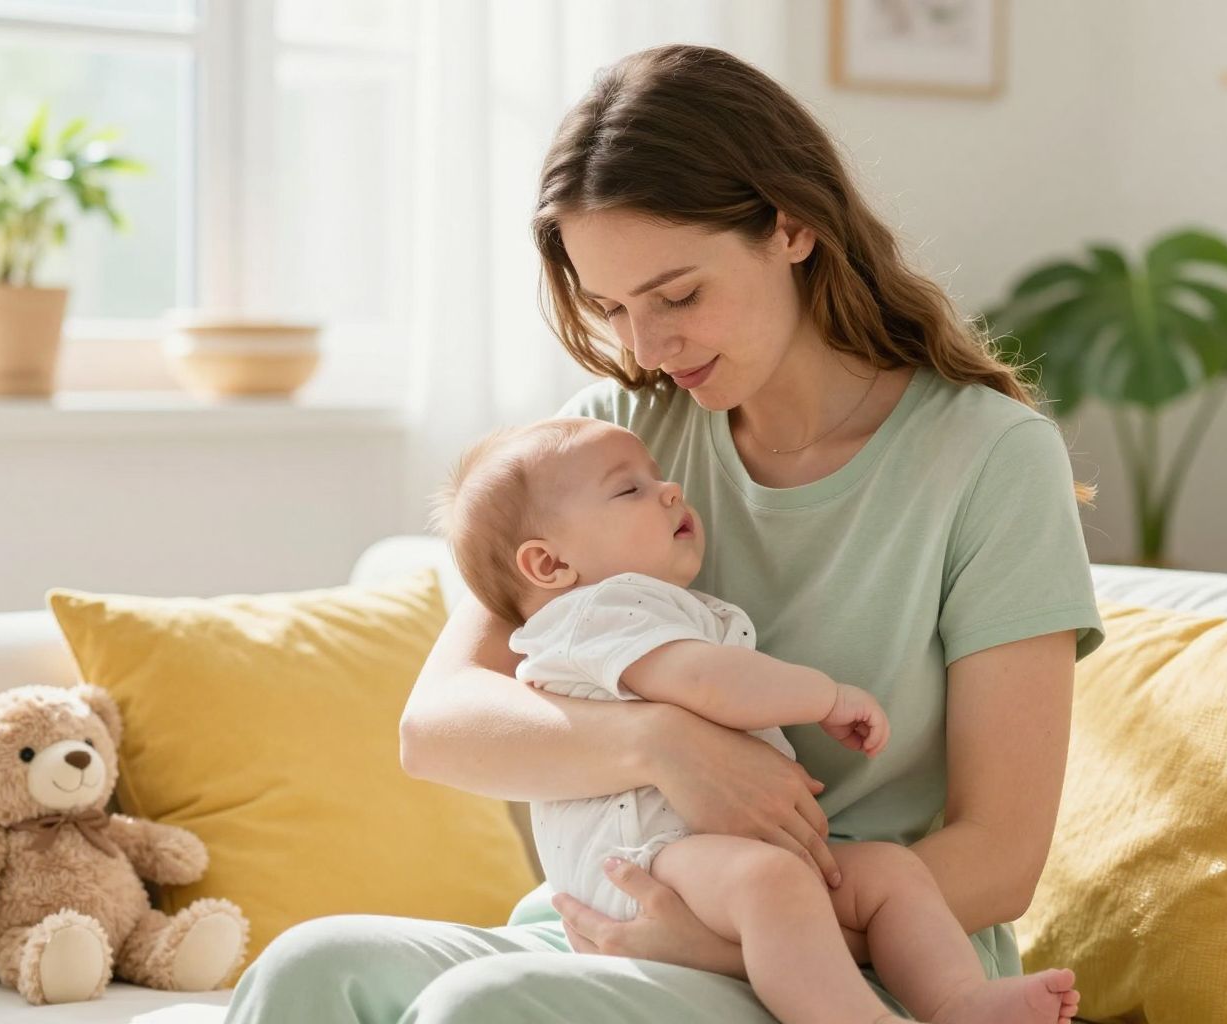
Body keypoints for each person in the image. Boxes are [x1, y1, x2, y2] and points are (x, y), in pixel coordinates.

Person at [224, 41, 1104, 1024]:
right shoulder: (620, 437)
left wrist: (731, 932)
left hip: (853, 963)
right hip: (612, 924)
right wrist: (663, 741)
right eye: (614, 308)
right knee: (312, 965)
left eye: (678, 295)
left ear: (793, 228)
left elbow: (1002, 854)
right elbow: (439, 726)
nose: (647, 346)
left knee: (487, 1007)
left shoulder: (989, 459)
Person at [425, 414, 1081, 1024]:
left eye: (655, 475)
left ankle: (958, 1000)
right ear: (549, 563)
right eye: (629, 490)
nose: (669, 487)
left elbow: (1004, 853)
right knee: (772, 883)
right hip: (642, 868)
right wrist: (823, 696)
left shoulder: (997, 451)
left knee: (890, 873)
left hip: (722, 866)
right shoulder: (590, 615)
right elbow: (707, 682)